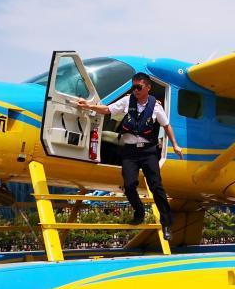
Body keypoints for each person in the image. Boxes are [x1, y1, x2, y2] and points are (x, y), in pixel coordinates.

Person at [78, 73, 183, 240]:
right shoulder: (127, 101)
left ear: (148, 88)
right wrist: (88, 106)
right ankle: (139, 212)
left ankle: (166, 224)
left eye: (139, 87)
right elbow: (107, 110)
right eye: (133, 87)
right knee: (129, 185)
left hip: (148, 152)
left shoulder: (156, 107)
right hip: (130, 152)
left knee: (156, 187)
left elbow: (167, 126)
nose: (136, 90)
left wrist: (175, 145)